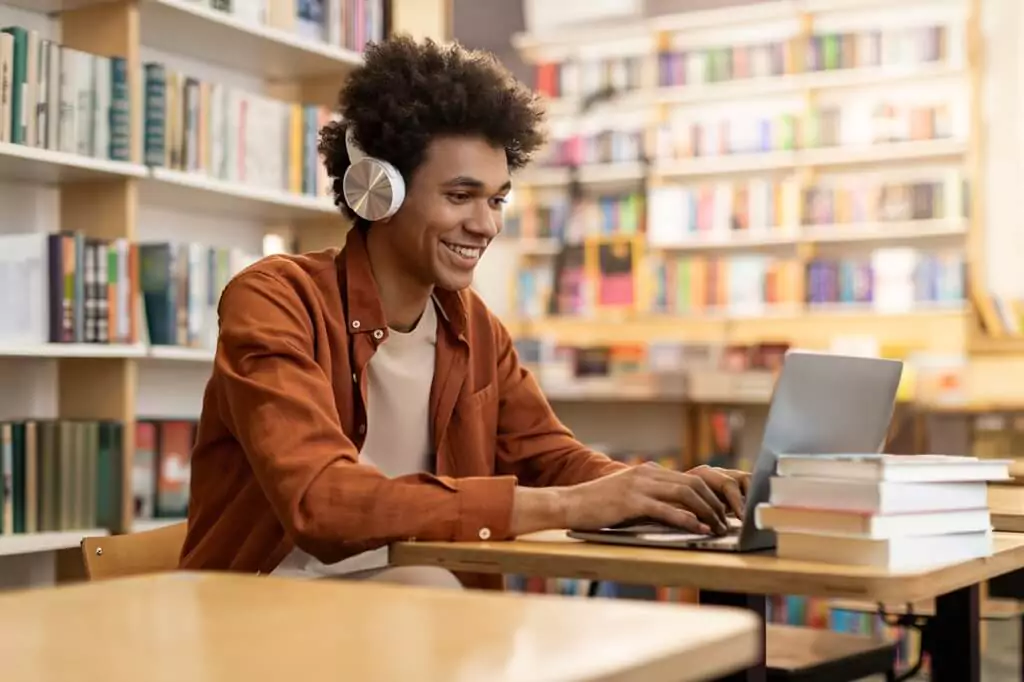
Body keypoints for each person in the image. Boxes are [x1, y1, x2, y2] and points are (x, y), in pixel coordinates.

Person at [179, 35, 750, 589]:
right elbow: (322, 502)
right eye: (460, 196)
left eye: (497, 199)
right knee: (435, 591)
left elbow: (548, 458)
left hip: (414, 610)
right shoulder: (275, 299)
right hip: (261, 608)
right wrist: (570, 504)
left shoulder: (473, 325)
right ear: (380, 191)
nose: (486, 225)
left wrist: (656, 489)